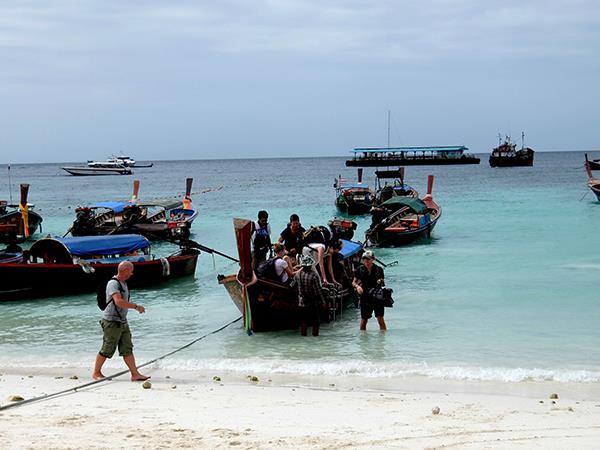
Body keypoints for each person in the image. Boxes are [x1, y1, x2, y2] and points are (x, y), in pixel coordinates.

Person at [92, 261, 150, 381]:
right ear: (124, 270)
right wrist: (136, 306)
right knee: (107, 348)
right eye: (131, 271)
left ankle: (135, 374)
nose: (132, 273)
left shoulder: (123, 283)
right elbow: (118, 301)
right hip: (112, 322)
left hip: (122, 321)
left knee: (127, 348)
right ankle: (96, 373)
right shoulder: (113, 284)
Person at [352, 250, 387, 331]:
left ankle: (382, 342)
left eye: (368, 259)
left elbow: (383, 282)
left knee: (380, 319)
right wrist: (357, 287)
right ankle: (363, 341)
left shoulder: (379, 269)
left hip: (377, 297)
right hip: (365, 297)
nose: (366, 261)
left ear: (373, 259)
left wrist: (380, 281)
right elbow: (353, 282)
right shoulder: (359, 270)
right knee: (364, 320)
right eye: (364, 259)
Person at [293, 255, 327, 336]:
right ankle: (315, 337)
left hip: (302, 302)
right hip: (313, 303)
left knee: (304, 322)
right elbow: (317, 292)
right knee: (316, 322)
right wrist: (323, 302)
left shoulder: (298, 274)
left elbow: (292, 285)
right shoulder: (313, 275)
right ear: (310, 266)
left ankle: (303, 337)